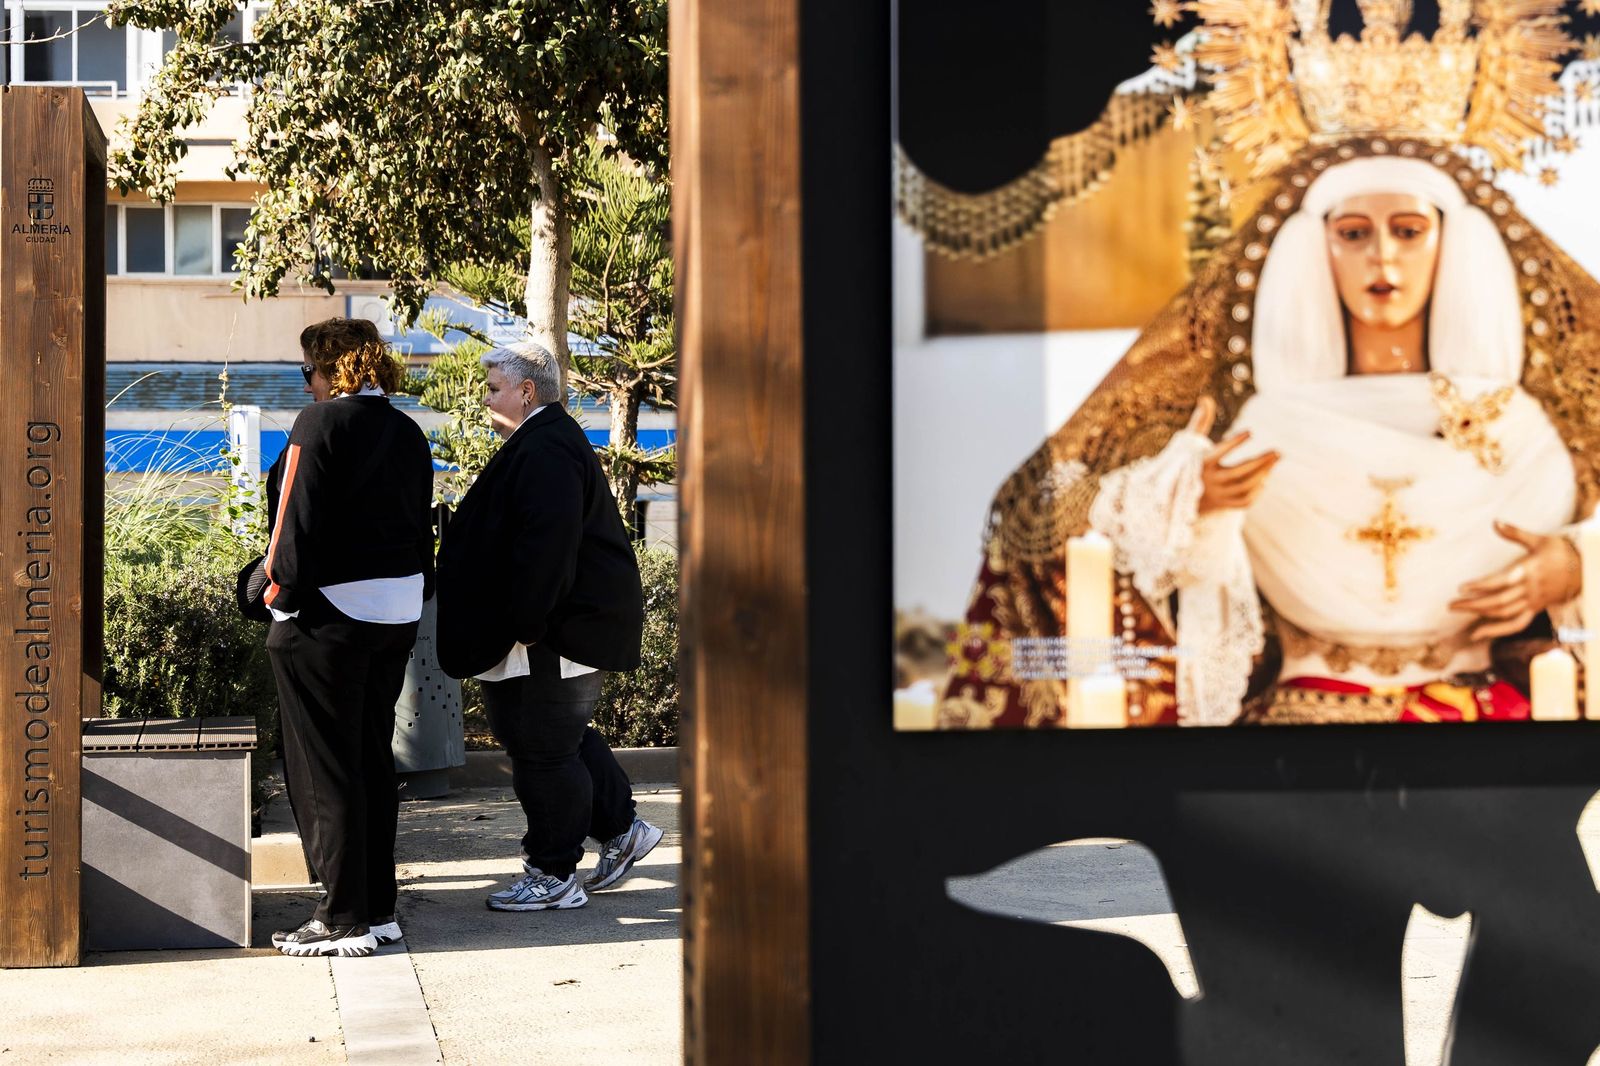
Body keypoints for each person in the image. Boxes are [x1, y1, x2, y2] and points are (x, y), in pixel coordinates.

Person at [941, 143, 1600, 727]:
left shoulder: (1518, 429)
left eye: (1408, 230)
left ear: (1452, 245)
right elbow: (1057, 518)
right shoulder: (1271, 427)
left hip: (1482, 721)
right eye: (1352, 232)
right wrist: (1196, 502)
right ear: (1316, 250)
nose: (1382, 256)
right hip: (1299, 721)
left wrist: (1572, 568)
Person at [436, 341, 661, 911]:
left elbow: (547, 548)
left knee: (543, 749)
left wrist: (527, 623)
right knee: (558, 739)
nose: (485, 399)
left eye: (493, 389)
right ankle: (622, 830)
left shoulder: (547, 449)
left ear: (526, 391)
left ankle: (554, 873)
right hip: (551, 630)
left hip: (548, 634)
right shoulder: (546, 441)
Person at [265, 318, 436, 956]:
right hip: (394, 616)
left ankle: (341, 918)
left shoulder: (319, 425)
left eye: (307, 371)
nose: (306, 384)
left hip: (326, 619)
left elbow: (292, 529)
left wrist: (275, 599)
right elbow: (421, 530)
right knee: (368, 761)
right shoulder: (407, 430)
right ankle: (376, 908)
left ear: (329, 369)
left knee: (324, 770)